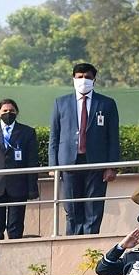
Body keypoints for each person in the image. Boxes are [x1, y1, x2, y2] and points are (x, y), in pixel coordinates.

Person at [49, 63, 121, 235]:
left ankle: (90, 241)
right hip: (68, 163)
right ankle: (72, 240)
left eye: (87, 77)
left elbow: (113, 138)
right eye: (79, 77)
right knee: (72, 208)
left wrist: (111, 167)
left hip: (96, 163)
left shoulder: (107, 104)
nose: (83, 80)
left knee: (94, 208)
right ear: (73, 79)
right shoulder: (61, 103)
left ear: (94, 80)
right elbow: (54, 136)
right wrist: (53, 165)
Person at [0, 98, 39, 240]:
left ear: (17, 112)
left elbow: (32, 161)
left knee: (16, 225)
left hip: (18, 185)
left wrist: (32, 188)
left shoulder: (27, 132)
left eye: (11, 111)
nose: (8, 113)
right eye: (5, 111)